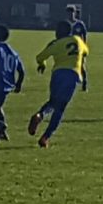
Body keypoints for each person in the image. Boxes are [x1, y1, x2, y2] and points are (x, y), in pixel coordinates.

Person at [28, 21, 89, 149]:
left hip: (57, 74)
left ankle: (40, 115)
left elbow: (40, 57)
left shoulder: (56, 44)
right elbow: (85, 52)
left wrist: (42, 64)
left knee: (53, 101)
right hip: (72, 75)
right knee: (60, 108)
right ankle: (45, 137)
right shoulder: (77, 40)